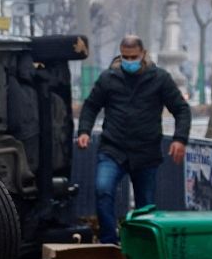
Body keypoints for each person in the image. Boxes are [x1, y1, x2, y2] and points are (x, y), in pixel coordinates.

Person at [76, 35, 190, 244]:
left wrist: (179, 139)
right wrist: (84, 131)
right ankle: (109, 241)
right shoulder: (109, 79)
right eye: (125, 57)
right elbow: (91, 105)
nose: (129, 61)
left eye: (133, 57)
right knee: (103, 190)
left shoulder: (160, 79)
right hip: (113, 148)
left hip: (145, 152)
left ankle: (142, 246)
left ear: (143, 54)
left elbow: (181, 109)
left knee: (145, 205)